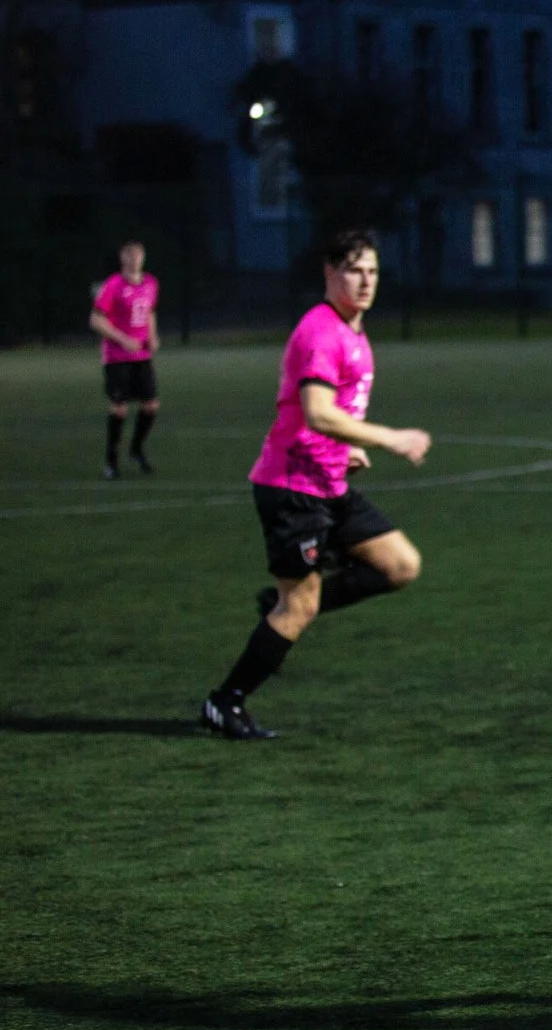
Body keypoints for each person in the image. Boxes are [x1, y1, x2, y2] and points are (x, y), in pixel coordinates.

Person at [200, 231, 431, 739]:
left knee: (400, 565)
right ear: (329, 273)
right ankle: (225, 702)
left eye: (372, 270)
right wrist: (390, 437)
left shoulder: (354, 332)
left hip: (327, 482)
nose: (366, 280)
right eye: (354, 270)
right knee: (298, 606)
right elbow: (317, 412)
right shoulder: (321, 331)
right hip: (292, 488)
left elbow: (329, 418)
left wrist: (347, 448)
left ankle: (285, 607)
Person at [90, 240, 161, 479]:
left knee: (151, 406)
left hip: (141, 355)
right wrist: (122, 339)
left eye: (138, 254)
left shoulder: (151, 283)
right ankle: (111, 461)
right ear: (122, 258)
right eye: (129, 254)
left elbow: (150, 311)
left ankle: (136, 448)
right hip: (117, 357)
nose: (134, 259)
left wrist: (152, 336)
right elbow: (96, 320)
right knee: (119, 409)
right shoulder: (113, 285)